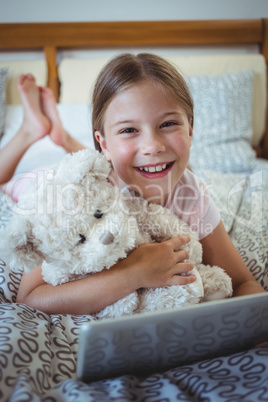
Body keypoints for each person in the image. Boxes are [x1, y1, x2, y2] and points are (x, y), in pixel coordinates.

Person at [1, 54, 264, 316]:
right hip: (36, 185)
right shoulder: (73, 193)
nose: (153, 146)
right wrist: (134, 274)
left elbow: (243, 282)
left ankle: (65, 138)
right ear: (103, 143)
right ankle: (30, 130)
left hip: (111, 164)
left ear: (190, 130)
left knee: (124, 161)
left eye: (168, 124)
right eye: (129, 130)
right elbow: (31, 297)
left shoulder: (191, 194)